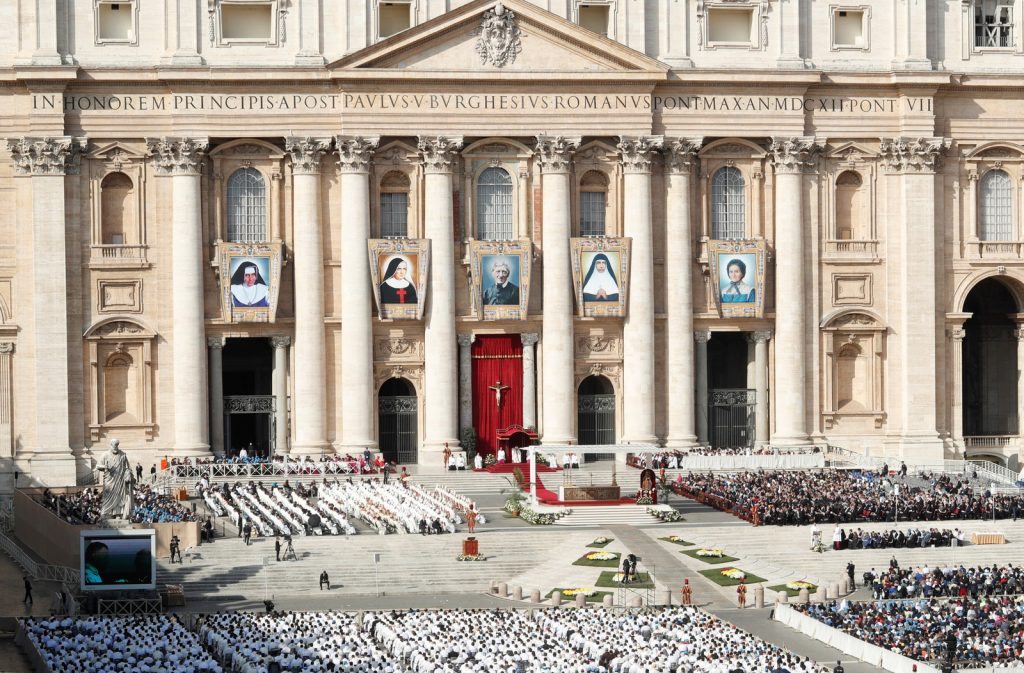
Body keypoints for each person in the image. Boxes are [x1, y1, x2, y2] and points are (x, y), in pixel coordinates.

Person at [97, 438, 137, 521]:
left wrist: (128, 474)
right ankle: (106, 513)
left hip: (120, 480)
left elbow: (128, 467)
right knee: (107, 497)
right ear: (111, 445)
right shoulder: (105, 454)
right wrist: (105, 467)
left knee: (119, 496)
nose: (115, 447)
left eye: (117, 445)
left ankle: (117, 514)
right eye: (114, 445)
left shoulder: (123, 455)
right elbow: (98, 466)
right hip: (109, 480)